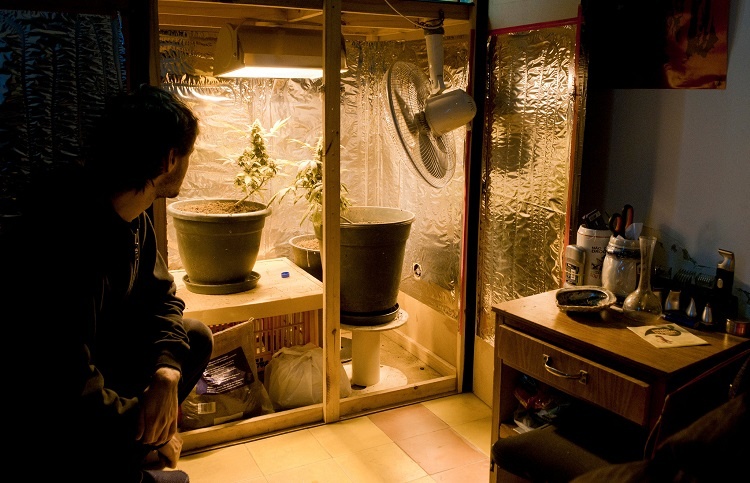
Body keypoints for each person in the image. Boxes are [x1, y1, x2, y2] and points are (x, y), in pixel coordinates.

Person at [3, 85, 213, 482]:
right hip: (46, 394)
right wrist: (145, 424)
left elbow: (162, 298)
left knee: (193, 338)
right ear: (170, 159)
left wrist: (167, 373)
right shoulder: (63, 233)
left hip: (99, 358)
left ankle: (134, 457)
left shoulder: (135, 214)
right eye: (187, 154)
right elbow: (61, 379)